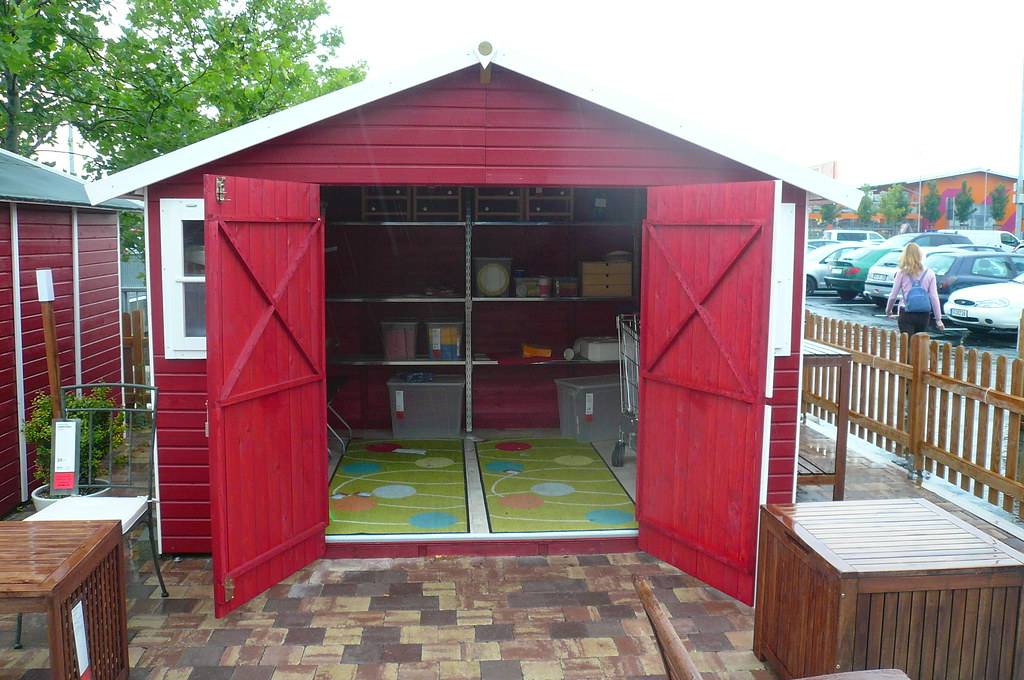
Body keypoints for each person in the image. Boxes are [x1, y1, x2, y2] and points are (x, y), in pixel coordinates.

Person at [885, 243, 944, 334]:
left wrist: (888, 310)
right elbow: (934, 297)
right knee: (920, 343)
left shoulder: (901, 273)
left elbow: (893, 295)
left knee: (907, 343)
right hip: (924, 314)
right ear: (920, 255)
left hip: (906, 312)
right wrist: (938, 319)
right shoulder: (930, 273)